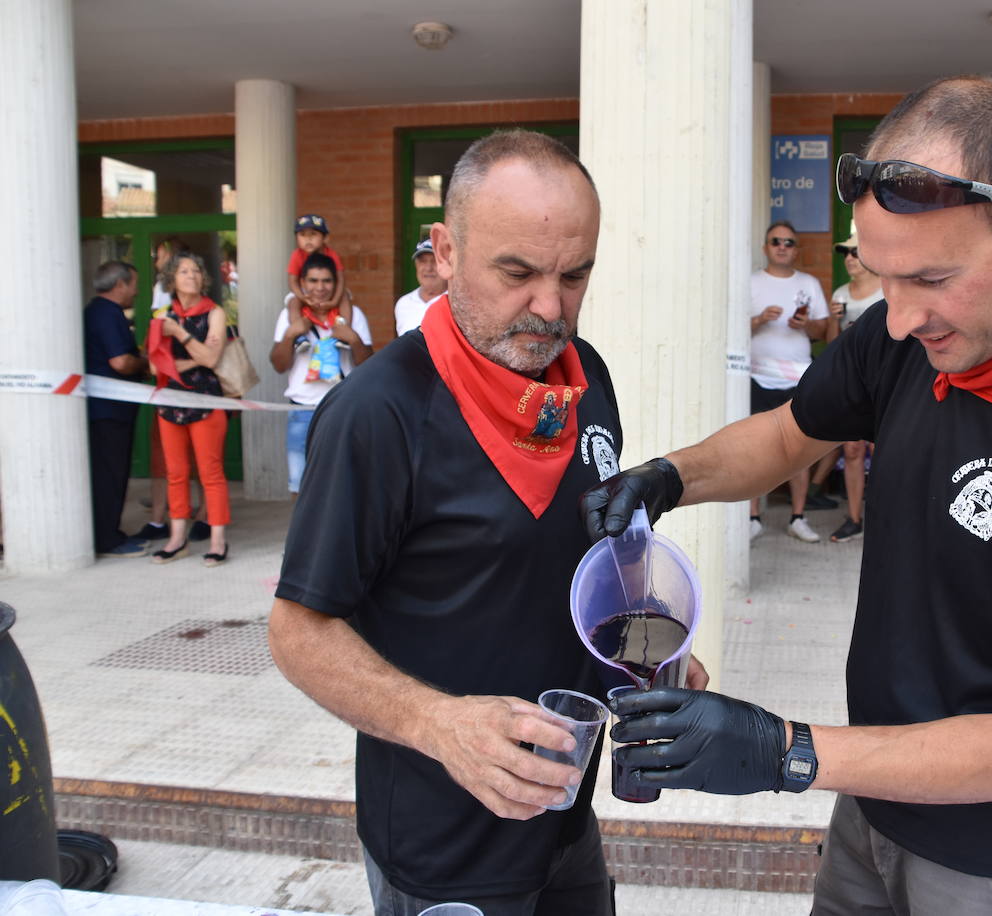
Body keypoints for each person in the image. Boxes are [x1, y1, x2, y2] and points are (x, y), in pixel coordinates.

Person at [582, 76, 992, 916]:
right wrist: (666, 478)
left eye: (933, 279)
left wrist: (783, 753)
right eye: (881, 278)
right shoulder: (906, 334)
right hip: (870, 799)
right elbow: (786, 437)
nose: (901, 320)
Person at [268, 130, 701, 916]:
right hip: (443, 849)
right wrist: (437, 723)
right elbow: (297, 630)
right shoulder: (379, 412)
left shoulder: (586, 377)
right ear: (443, 253)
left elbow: (585, 562)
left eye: (575, 275)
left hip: (566, 820)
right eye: (517, 272)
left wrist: (649, 646)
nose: (549, 305)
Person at [145, 251, 230, 567]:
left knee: (211, 472)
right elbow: (156, 368)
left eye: (196, 270)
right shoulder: (161, 315)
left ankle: (218, 541)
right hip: (170, 403)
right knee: (175, 473)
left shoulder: (214, 312)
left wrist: (180, 335)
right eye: (183, 271)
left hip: (207, 401)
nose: (191, 276)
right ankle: (177, 538)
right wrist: (197, 356)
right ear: (172, 279)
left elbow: (212, 360)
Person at [748, 220, 830, 542]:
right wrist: (759, 319)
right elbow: (731, 329)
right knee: (754, 448)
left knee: (798, 449)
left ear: (796, 250)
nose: (782, 246)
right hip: (756, 375)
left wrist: (805, 325)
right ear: (766, 247)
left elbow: (823, 332)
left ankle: (798, 517)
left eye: (789, 242)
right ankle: (752, 517)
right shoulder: (751, 282)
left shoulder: (808, 282)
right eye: (776, 241)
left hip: (798, 376)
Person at [269, 252, 374, 495]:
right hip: (301, 411)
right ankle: (306, 535)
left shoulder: (352, 315)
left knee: (344, 484)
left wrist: (353, 339)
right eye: (313, 281)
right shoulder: (289, 316)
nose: (320, 288)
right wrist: (290, 335)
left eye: (326, 281)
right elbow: (278, 365)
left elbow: (368, 366)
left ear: (336, 285)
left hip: (342, 410)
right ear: (302, 284)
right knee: (300, 486)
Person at [83, 261, 150, 558]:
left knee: (105, 473)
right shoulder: (108, 315)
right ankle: (108, 539)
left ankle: (108, 533)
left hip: (104, 409)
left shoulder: (94, 311)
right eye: (133, 284)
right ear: (120, 284)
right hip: (109, 411)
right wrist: (145, 362)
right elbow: (121, 361)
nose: (136, 292)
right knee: (110, 474)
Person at [824, 234, 883, 543]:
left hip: (884, 380)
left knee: (885, 450)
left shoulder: (889, 288)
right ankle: (854, 518)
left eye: (855, 252)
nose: (849, 257)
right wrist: (834, 321)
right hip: (852, 381)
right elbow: (833, 343)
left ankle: (887, 520)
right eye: (845, 253)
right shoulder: (840, 292)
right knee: (852, 448)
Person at [285, 214, 351, 328]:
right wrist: (302, 297)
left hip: (330, 291)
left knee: (345, 297)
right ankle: (298, 335)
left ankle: (344, 328)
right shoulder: (297, 255)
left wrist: (335, 301)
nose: (308, 239)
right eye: (302, 235)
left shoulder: (331, 254)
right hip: (304, 291)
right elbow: (292, 280)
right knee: (293, 302)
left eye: (313, 234)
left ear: (325, 238)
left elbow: (340, 279)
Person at [393, 237, 447, 336]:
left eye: (434, 260)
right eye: (423, 261)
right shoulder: (404, 303)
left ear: (446, 264)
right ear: (416, 265)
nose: (428, 268)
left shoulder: (456, 303)